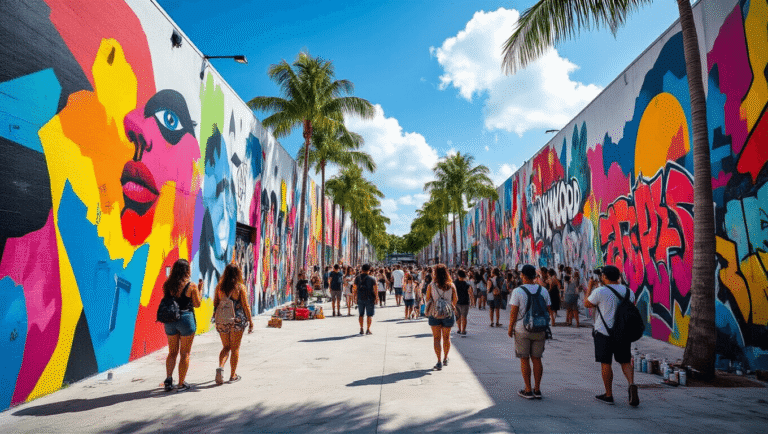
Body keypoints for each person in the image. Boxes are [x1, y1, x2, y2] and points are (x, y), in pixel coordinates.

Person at [584, 265, 640, 407]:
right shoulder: (629, 291)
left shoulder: (600, 291)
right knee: (625, 361)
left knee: (606, 363)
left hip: (604, 333)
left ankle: (608, 394)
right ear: (618, 277)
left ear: (604, 277)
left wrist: (590, 286)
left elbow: (587, 304)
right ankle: (632, 385)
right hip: (623, 332)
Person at [508, 264, 551, 399]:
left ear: (523, 276)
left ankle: (528, 390)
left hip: (522, 329)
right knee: (537, 359)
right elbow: (548, 310)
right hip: (540, 328)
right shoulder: (543, 290)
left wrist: (510, 328)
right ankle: (537, 390)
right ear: (535, 276)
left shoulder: (518, 291)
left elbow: (513, 313)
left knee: (524, 359)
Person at [162, 259, 202, 391]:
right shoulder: (191, 286)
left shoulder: (168, 285)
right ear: (187, 271)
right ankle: (181, 383)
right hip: (185, 319)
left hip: (170, 320)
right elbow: (197, 304)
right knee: (185, 353)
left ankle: (168, 380)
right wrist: (200, 290)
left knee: (172, 352)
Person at [213, 262, 254, 385]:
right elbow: (246, 305)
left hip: (222, 320)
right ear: (238, 273)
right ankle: (232, 375)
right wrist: (250, 321)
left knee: (226, 347)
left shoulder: (219, 287)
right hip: (236, 321)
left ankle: (220, 367)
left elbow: (215, 303)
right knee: (235, 348)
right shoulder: (240, 287)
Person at [425, 264, 458, 370]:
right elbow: (455, 299)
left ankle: (438, 361)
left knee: (436, 338)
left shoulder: (431, 285)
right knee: (446, 337)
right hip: (448, 313)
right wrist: (449, 305)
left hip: (435, 313)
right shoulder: (451, 285)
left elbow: (427, 298)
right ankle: (445, 358)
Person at [355, 264, 378, 335]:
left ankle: (361, 328)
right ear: (369, 270)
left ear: (362, 269)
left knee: (361, 314)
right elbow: (375, 289)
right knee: (369, 315)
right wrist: (376, 298)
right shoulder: (372, 279)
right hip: (370, 298)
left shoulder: (357, 278)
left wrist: (355, 298)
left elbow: (354, 289)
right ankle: (368, 329)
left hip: (360, 298)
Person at [454, 269, 473, 336]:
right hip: (465, 302)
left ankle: (459, 329)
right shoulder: (466, 284)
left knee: (458, 316)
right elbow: (470, 293)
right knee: (463, 316)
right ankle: (463, 330)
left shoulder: (454, 283)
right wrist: (472, 301)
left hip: (457, 302)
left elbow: (452, 293)